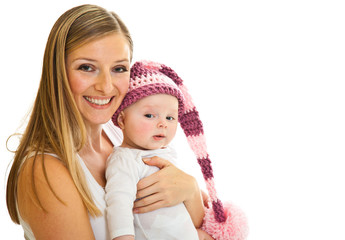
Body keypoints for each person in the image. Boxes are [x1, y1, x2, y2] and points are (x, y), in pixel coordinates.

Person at [6, 4, 214, 240]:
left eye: (118, 68)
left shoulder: (121, 134)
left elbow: (182, 223)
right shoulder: (44, 172)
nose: (105, 86)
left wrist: (190, 192)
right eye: (87, 67)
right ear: (58, 72)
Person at [105, 60, 201, 240]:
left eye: (170, 117)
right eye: (150, 115)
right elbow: (119, 205)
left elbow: (187, 197)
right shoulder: (125, 160)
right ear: (122, 121)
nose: (162, 123)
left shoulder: (167, 152)